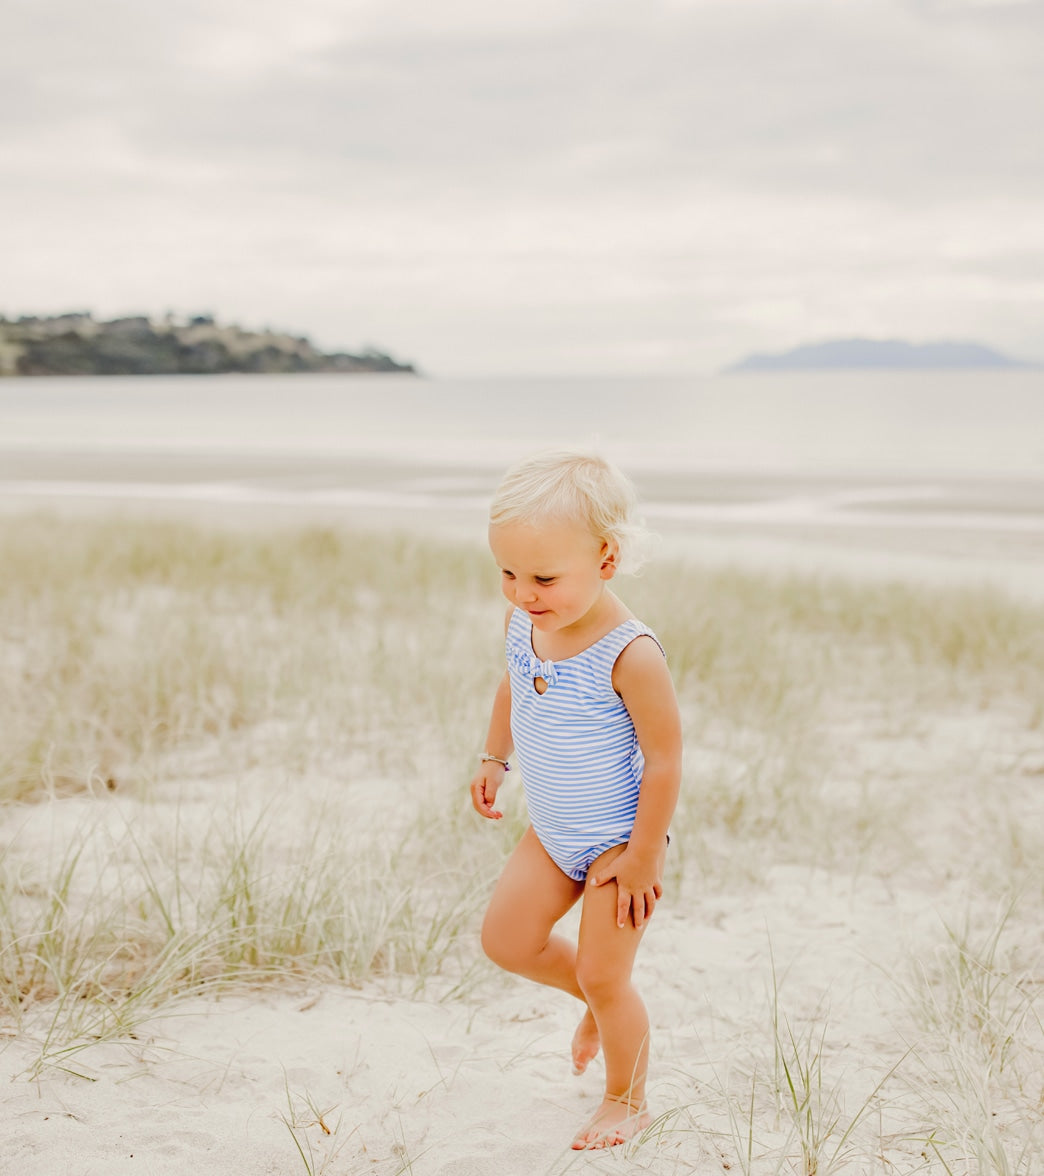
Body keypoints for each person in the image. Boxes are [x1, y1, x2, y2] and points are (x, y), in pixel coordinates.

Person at [469, 450, 682, 1151]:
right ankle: (591, 999)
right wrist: (494, 757)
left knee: (606, 972)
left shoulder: (631, 653)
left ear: (607, 558)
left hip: (619, 843)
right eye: (508, 572)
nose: (523, 592)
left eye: (543, 577)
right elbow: (511, 683)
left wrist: (645, 856)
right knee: (505, 941)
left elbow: (664, 761)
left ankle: (626, 1099)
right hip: (552, 831)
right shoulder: (526, 623)